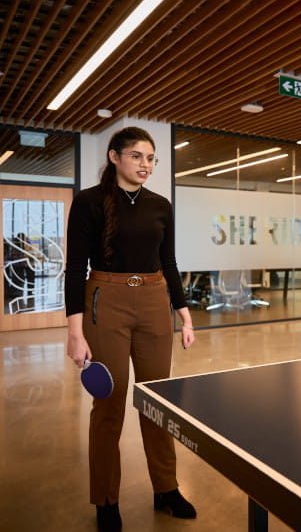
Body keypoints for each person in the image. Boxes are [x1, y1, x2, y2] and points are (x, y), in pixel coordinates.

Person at [64, 127, 196, 532]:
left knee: (159, 399)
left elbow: (168, 260)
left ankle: (166, 488)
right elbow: (74, 268)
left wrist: (184, 310)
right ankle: (106, 498)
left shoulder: (161, 205)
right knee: (110, 401)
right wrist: (75, 330)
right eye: (137, 156)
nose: (145, 165)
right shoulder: (89, 202)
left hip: (155, 302)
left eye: (151, 158)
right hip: (106, 300)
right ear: (115, 156)